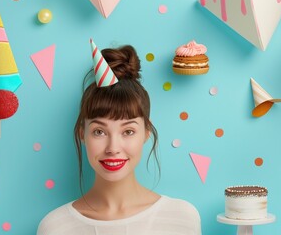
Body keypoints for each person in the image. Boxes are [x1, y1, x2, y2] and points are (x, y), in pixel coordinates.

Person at [37, 40, 201, 235]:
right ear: (83, 134)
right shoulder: (55, 227)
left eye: (128, 131)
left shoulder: (181, 218)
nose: (113, 148)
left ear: (146, 133)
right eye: (99, 131)